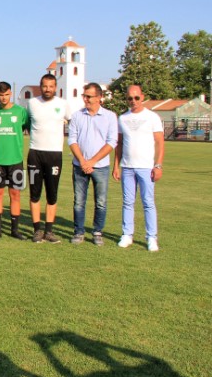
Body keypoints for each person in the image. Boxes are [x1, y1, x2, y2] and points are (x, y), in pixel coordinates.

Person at [113, 85, 164, 252]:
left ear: (142, 97)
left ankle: (151, 237)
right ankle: (127, 234)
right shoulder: (122, 118)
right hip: (127, 167)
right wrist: (116, 166)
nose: (133, 101)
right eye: (130, 98)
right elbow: (119, 144)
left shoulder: (152, 117)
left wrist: (158, 165)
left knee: (148, 203)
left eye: (136, 98)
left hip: (146, 167)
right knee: (128, 202)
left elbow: (160, 142)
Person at [67, 83, 118, 246]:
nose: (86, 99)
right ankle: (79, 231)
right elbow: (72, 140)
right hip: (79, 165)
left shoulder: (110, 117)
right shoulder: (77, 116)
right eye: (84, 96)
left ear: (99, 97)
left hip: (101, 166)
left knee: (101, 202)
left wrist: (92, 161)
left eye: (89, 96)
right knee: (79, 201)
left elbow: (112, 142)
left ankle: (97, 232)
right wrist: (83, 161)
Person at [26, 74, 71, 243]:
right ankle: (37, 230)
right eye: (45, 86)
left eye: (51, 86)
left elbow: (73, 123)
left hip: (54, 155)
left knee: (52, 195)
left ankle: (49, 231)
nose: (48, 89)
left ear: (55, 87)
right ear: (41, 86)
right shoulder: (32, 103)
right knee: (34, 194)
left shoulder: (63, 104)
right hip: (35, 154)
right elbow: (27, 123)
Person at [0, 82, 29, 240]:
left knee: (15, 194)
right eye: (1, 95)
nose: (4, 98)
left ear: (11, 94)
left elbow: (27, 126)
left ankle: (14, 230)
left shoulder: (21, 112)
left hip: (15, 160)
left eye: (6, 94)